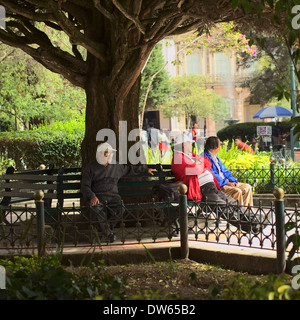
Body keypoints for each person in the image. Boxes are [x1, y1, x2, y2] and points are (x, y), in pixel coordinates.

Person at [171, 134, 259, 233]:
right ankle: (250, 226)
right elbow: (196, 168)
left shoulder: (189, 155)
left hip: (211, 185)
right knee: (223, 207)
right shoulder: (177, 158)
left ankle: (254, 220)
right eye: (188, 143)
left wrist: (199, 165)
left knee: (231, 203)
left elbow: (206, 162)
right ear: (182, 144)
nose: (190, 145)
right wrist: (200, 165)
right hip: (201, 188)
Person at [81, 142, 157, 242]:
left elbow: (130, 170)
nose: (111, 155)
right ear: (99, 154)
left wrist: (145, 170)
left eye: (111, 153)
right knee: (97, 210)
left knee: (121, 209)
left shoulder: (116, 166)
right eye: (108, 153)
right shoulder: (90, 167)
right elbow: (84, 186)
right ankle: (109, 234)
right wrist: (92, 196)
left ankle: (103, 230)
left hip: (113, 197)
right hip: (98, 197)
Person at [204, 136, 253, 207]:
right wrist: (227, 183)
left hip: (227, 182)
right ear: (215, 146)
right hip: (219, 185)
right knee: (237, 191)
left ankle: (247, 213)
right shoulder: (204, 157)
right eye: (219, 145)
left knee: (247, 187)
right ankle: (238, 215)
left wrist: (233, 181)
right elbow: (213, 175)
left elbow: (225, 171)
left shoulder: (215, 156)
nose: (220, 147)